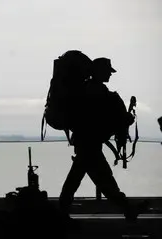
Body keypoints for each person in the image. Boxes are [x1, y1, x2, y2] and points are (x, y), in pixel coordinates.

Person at [59, 57, 147, 222]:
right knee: (103, 179)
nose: (110, 74)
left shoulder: (90, 89)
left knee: (81, 178)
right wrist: (124, 119)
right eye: (108, 71)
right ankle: (127, 208)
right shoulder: (96, 91)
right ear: (99, 71)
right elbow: (101, 118)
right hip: (89, 143)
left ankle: (61, 212)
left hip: (86, 142)